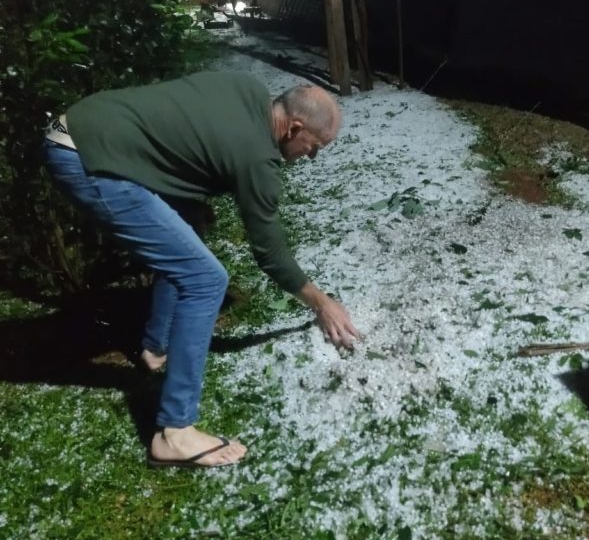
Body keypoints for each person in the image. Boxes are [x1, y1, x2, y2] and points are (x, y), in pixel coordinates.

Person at [43, 70, 360, 469]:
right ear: (293, 127)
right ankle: (175, 433)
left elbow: (192, 135)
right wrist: (321, 302)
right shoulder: (257, 159)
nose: (311, 156)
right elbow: (270, 253)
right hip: (90, 158)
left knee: (187, 231)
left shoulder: (248, 90)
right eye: (314, 146)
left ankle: (154, 349)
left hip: (81, 123)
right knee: (205, 277)